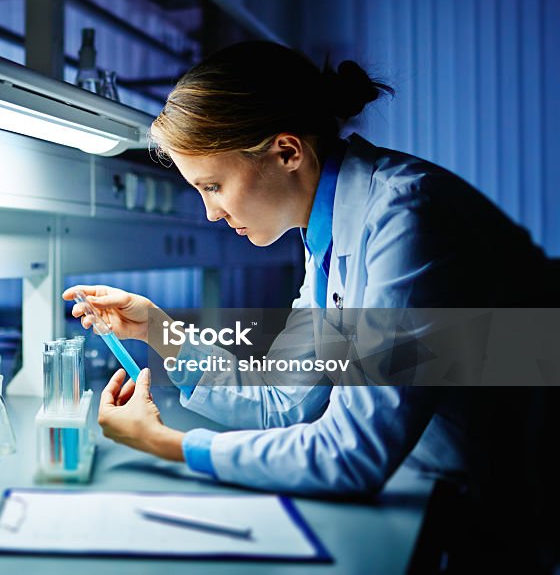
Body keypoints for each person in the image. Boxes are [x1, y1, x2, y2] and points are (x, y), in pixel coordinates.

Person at [64, 41, 557, 567]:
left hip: (521, 485)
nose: (210, 213)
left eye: (214, 185)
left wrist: (169, 444)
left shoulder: (406, 219)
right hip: (460, 480)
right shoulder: (324, 235)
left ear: (287, 151)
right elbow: (284, 402)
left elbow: (352, 454)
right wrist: (158, 331)